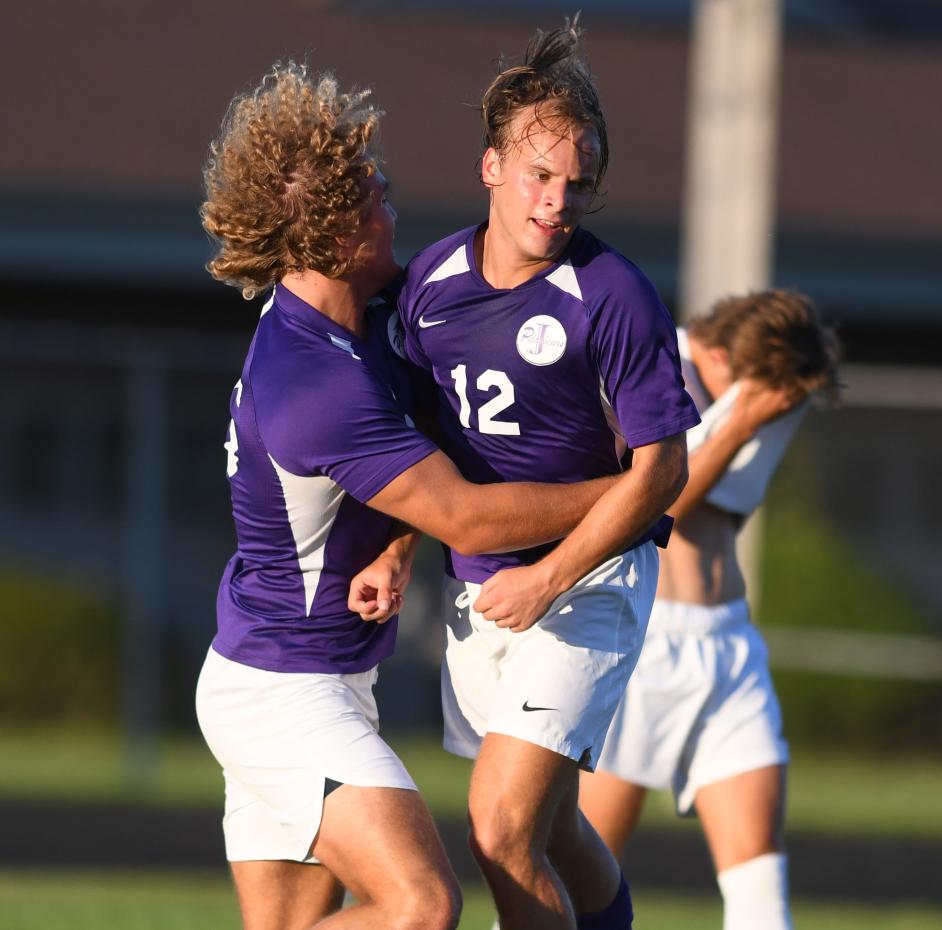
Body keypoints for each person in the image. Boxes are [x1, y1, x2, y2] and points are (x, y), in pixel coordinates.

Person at [194, 62, 630, 930]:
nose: (392, 208)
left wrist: (393, 548)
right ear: (327, 236)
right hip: (282, 689)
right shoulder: (312, 381)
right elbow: (464, 511)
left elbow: (435, 435)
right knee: (420, 907)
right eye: (374, 200)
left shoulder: (367, 317)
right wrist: (629, 490)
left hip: (311, 674)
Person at [364, 17, 700, 930]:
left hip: (586, 583)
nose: (558, 201)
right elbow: (417, 444)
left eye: (577, 184)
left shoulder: (615, 294)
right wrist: (397, 548)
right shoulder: (430, 282)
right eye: (539, 176)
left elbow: (662, 470)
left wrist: (551, 575)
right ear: (491, 169)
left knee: (500, 829)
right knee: (551, 833)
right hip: (480, 595)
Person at [579, 290, 840, 930]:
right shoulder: (648, 360)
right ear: (717, 352)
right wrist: (743, 416)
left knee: (760, 886)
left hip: (728, 645)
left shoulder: (765, 388)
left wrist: (762, 406)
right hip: (640, 645)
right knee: (575, 879)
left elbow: (729, 510)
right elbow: (661, 504)